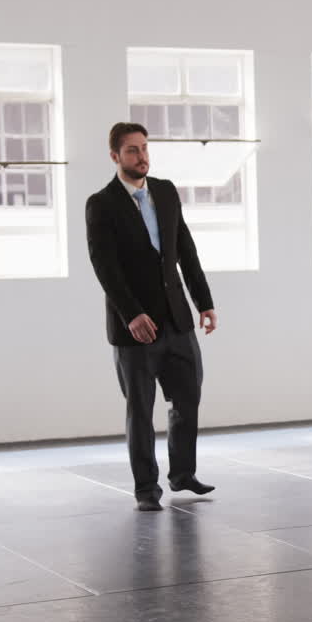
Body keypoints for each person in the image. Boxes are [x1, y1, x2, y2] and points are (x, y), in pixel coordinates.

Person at [86, 122, 218, 512]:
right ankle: (146, 488)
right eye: (132, 150)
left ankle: (182, 474)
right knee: (140, 411)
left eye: (144, 148)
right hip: (136, 330)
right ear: (115, 156)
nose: (141, 156)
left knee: (187, 399)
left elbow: (185, 250)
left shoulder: (165, 191)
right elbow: (104, 267)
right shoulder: (102, 203)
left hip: (177, 320)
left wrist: (203, 302)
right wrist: (132, 315)